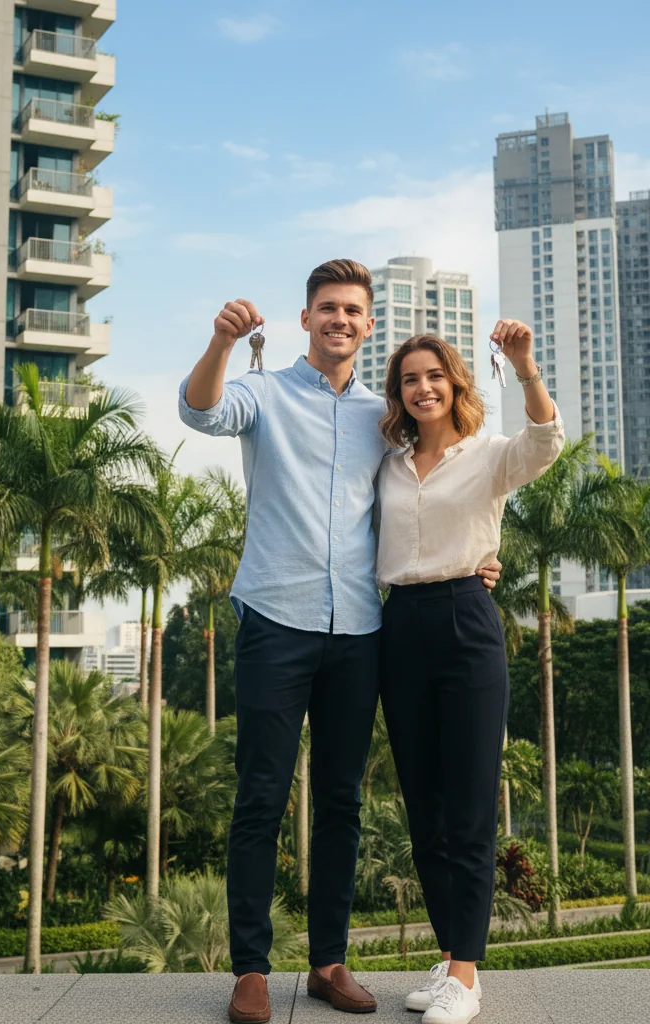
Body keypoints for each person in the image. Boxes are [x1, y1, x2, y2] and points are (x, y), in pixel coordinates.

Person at [178, 259, 501, 1024]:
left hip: (360, 630)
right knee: (259, 797)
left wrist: (482, 556)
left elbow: (438, 489)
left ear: (366, 324)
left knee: (341, 802)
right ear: (306, 319)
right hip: (275, 623)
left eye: (354, 311)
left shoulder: (381, 421)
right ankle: (252, 969)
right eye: (328, 308)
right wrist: (222, 342)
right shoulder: (262, 392)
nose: (341, 320)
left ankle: (328, 961)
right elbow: (199, 412)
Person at [376, 325, 562, 1024]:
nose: (421, 389)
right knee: (424, 807)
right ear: (398, 394)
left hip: (466, 618)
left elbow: (545, 444)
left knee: (469, 803)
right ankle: (451, 948)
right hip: (399, 625)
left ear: (455, 385)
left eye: (434, 377)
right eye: (408, 381)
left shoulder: (488, 456)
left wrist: (524, 367)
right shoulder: (387, 464)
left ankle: (466, 973)